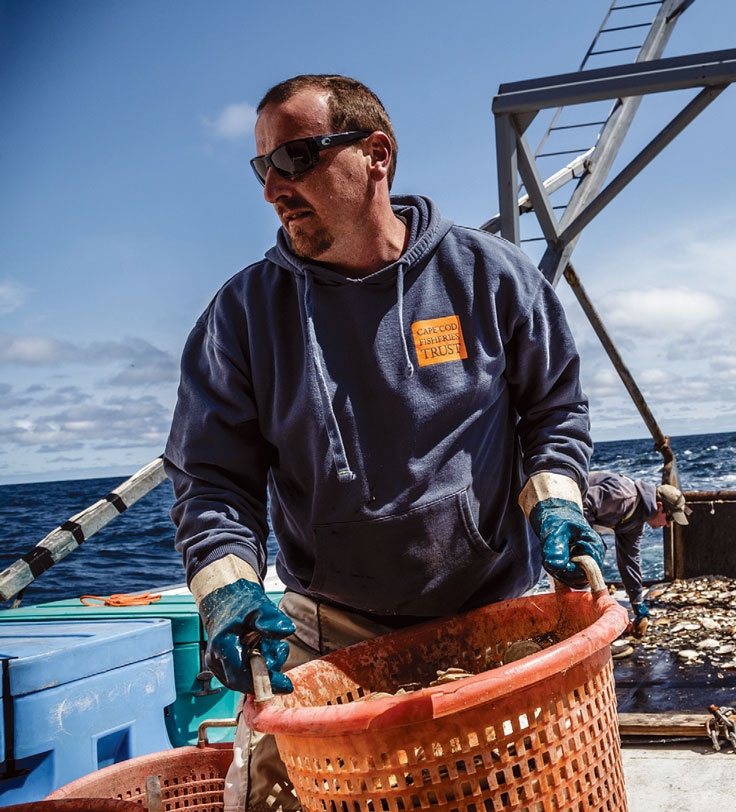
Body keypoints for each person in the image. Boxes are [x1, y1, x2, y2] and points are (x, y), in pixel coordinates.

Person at [164, 74, 603, 812]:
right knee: (276, 797)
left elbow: (553, 414)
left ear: (376, 155)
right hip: (325, 632)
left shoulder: (490, 277)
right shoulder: (242, 315)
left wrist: (557, 506)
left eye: (296, 158)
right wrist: (227, 588)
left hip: (490, 616)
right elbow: (212, 481)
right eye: (262, 167)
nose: (274, 186)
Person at [582, 471, 690, 637]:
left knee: (589, 565)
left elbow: (630, 561)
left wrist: (637, 602)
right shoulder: (624, 497)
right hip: (554, 503)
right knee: (585, 566)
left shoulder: (635, 522)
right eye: (670, 519)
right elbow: (583, 501)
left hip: (577, 517)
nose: (668, 525)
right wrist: (589, 539)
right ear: (659, 506)